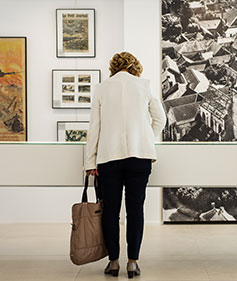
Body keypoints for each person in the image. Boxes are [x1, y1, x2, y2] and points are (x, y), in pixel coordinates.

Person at [85, 52, 166, 278]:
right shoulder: (144, 86)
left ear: (113, 66)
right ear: (135, 66)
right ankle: (133, 262)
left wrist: (90, 161)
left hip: (109, 158)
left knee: (110, 212)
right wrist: (146, 137)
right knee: (135, 210)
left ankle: (113, 262)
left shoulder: (102, 88)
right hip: (139, 157)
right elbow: (160, 119)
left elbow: (94, 128)